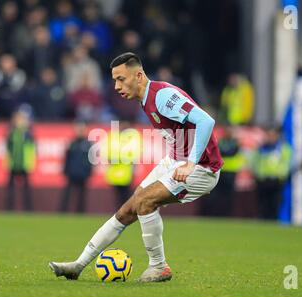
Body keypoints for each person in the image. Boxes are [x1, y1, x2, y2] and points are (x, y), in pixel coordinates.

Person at [49, 52, 223, 282]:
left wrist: (190, 164)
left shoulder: (162, 96)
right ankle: (78, 265)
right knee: (127, 210)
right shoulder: (144, 99)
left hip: (201, 168)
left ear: (139, 75)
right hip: (175, 161)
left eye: (121, 79)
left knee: (145, 201)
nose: (116, 86)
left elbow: (206, 121)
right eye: (114, 80)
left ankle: (159, 266)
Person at [251, 127, 292, 220]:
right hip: (262, 180)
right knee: (262, 204)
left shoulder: (283, 148)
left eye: (273, 135)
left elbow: (287, 163)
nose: (270, 137)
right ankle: (263, 221)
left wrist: (281, 176)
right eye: (269, 135)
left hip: (276, 180)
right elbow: (255, 162)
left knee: (275, 203)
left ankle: (273, 220)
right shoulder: (261, 148)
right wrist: (257, 174)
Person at [5, 110, 36, 211]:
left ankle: (28, 209)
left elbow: (32, 147)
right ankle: (9, 208)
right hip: (13, 164)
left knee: (26, 189)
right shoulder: (12, 133)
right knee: (10, 189)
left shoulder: (28, 133)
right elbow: (8, 148)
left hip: (24, 164)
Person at [59, 122, 93, 213]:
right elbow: (67, 159)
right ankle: (62, 212)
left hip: (83, 174)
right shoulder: (72, 143)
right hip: (72, 173)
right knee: (67, 194)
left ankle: (80, 212)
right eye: (78, 129)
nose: (80, 131)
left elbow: (91, 160)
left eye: (82, 129)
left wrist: (89, 172)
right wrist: (65, 170)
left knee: (81, 196)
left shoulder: (88, 145)